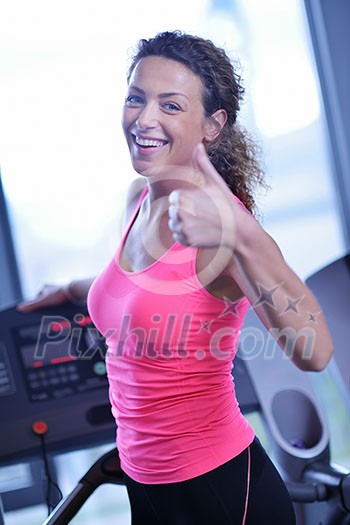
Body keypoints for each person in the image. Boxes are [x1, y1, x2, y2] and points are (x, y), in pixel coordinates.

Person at [18, 30, 333, 524]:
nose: (145, 119)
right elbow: (132, 289)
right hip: (146, 488)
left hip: (223, 493)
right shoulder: (139, 198)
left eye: (171, 106)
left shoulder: (224, 229)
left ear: (212, 125)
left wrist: (241, 234)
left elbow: (314, 351)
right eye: (136, 99)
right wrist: (74, 290)